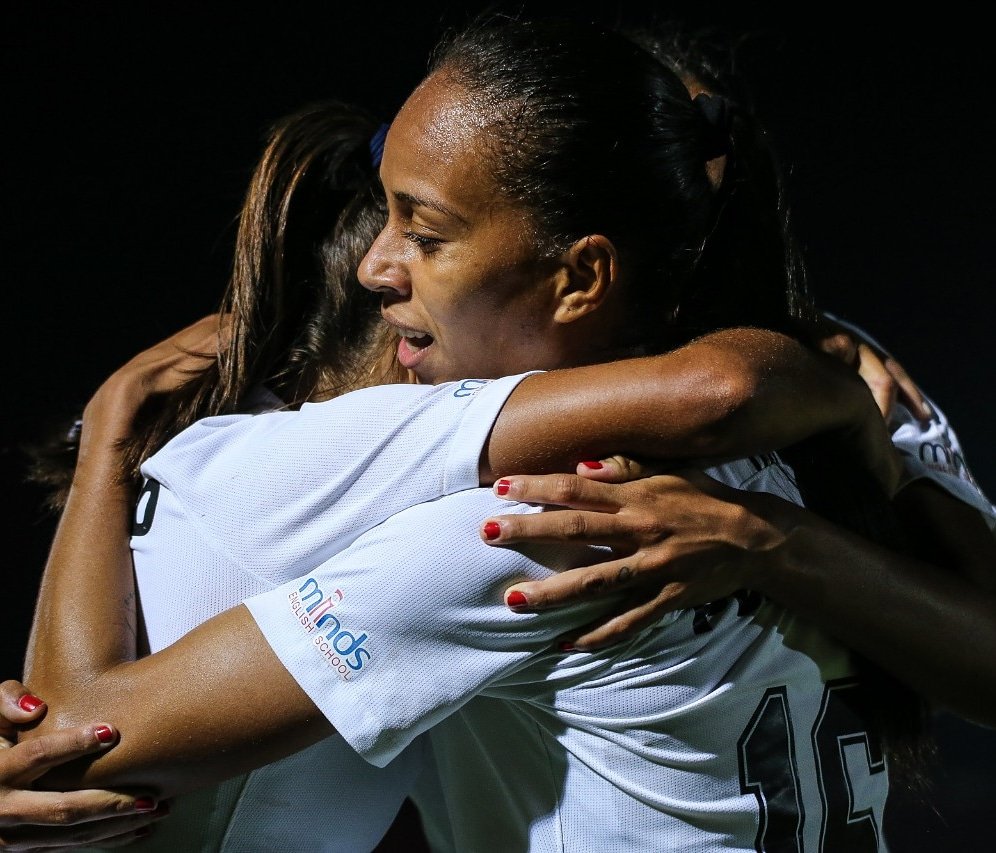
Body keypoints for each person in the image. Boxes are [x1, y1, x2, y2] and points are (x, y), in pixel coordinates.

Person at [9, 14, 996, 852]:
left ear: (582, 272)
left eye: (427, 234)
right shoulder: (851, 387)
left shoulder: (538, 525)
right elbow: (725, 383)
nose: (383, 267)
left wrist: (109, 437)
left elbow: (82, 739)